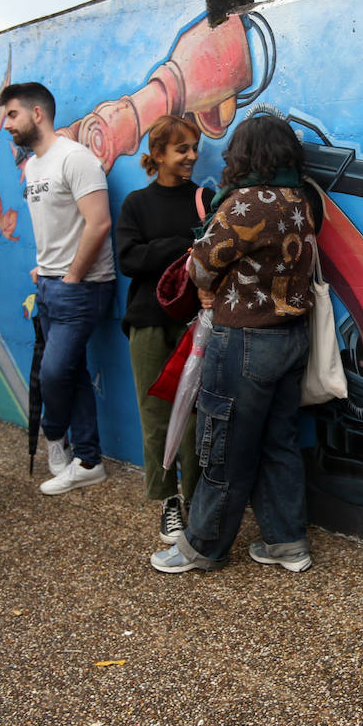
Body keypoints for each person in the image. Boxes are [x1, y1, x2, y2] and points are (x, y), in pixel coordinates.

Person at [149, 113, 322, 575]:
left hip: (244, 339)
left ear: (246, 154)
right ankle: (287, 543)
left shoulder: (246, 203)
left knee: (224, 444)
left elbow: (202, 268)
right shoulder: (299, 199)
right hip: (292, 338)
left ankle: (203, 545)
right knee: (279, 442)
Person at [0, 82, 116, 494]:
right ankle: (87, 459)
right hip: (50, 284)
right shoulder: (32, 166)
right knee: (72, 372)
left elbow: (99, 222)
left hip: (82, 286)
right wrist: (44, 269)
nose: (6, 124)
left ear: (36, 113)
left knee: (54, 373)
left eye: (12, 115)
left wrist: (70, 275)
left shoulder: (76, 158)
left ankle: (56, 436)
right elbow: (56, 224)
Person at [115, 115, 210, 544]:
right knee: (155, 416)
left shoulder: (206, 200)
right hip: (149, 323)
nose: (192, 156)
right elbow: (130, 261)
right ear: (157, 154)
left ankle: (196, 499)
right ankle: (168, 499)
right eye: (182, 149)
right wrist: (182, 244)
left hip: (199, 323)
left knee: (196, 416)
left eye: (194, 147)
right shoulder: (137, 203)